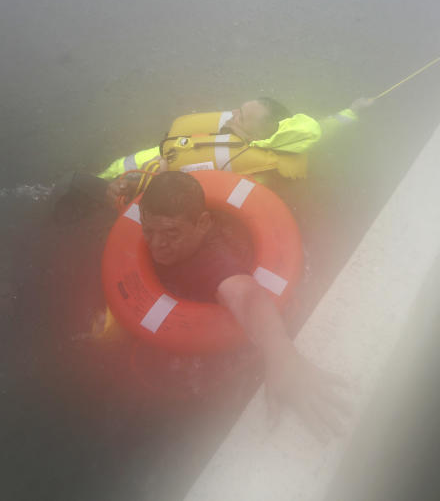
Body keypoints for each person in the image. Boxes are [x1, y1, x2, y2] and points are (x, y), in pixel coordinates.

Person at [135, 171, 347, 439]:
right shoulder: (162, 234)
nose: (156, 244)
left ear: (203, 223)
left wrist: (282, 354)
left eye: (171, 233)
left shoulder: (213, 261)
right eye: (148, 230)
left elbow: (246, 295)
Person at [98, 96, 373, 209]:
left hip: (149, 187)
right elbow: (327, 127)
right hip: (138, 167)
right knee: (112, 170)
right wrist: (354, 110)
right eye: (239, 111)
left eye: (240, 118)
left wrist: (142, 182)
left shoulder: (259, 171)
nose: (231, 117)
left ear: (260, 135)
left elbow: (214, 199)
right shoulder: (240, 129)